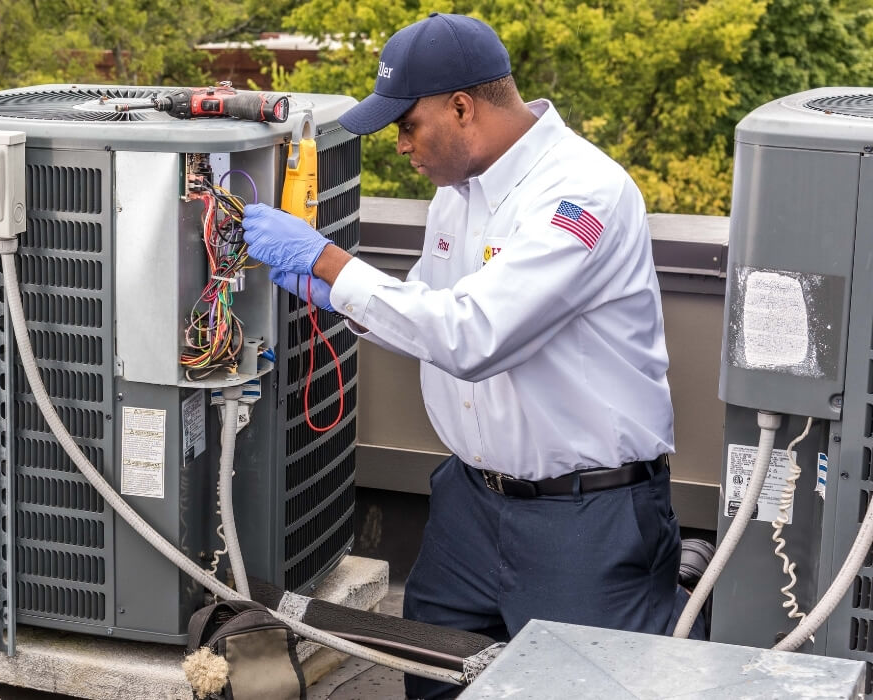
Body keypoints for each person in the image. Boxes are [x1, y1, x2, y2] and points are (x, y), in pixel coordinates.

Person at [241, 13, 681, 699]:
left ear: (462, 107)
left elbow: (473, 336)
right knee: (433, 682)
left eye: (407, 125)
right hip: (468, 509)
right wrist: (333, 293)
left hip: (583, 523)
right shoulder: (458, 195)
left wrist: (329, 261)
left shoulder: (580, 196)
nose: (400, 146)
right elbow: (427, 308)